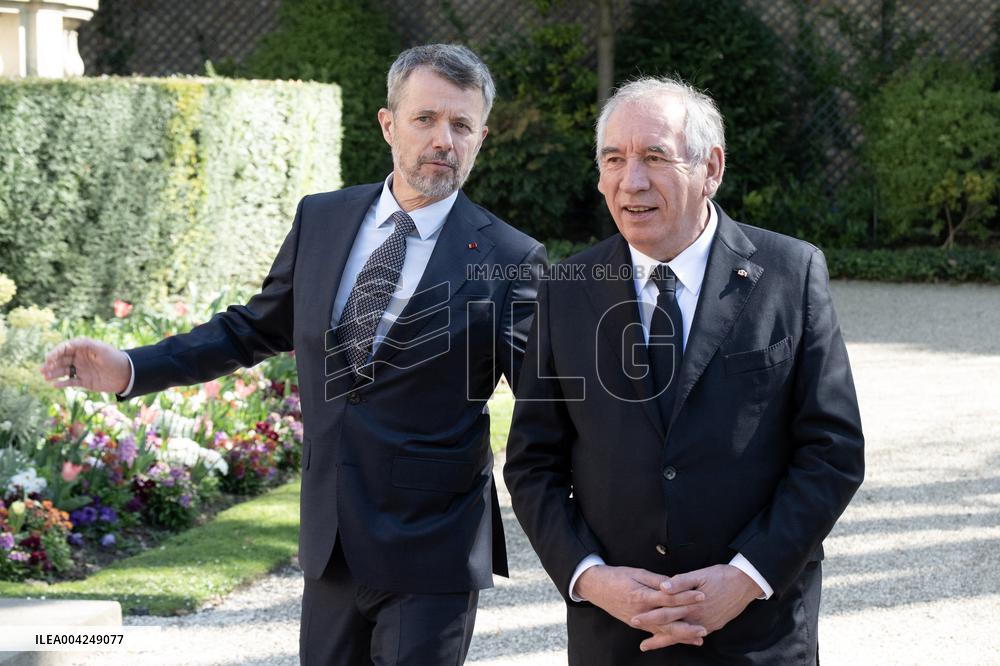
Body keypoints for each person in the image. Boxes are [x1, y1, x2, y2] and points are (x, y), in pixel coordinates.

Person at [41, 44, 546, 665]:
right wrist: (131, 367)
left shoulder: (510, 257)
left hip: (433, 546)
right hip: (331, 537)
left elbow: (547, 403)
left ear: (480, 137)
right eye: (426, 119)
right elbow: (250, 330)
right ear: (389, 124)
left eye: (461, 125)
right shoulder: (323, 218)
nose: (444, 139)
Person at [504, 76, 864, 664]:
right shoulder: (567, 289)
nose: (631, 180)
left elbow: (833, 450)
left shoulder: (790, 274)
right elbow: (532, 464)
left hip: (757, 633)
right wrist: (592, 579)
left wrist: (745, 578)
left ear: (711, 168)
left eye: (654, 157)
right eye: (614, 159)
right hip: (617, 636)